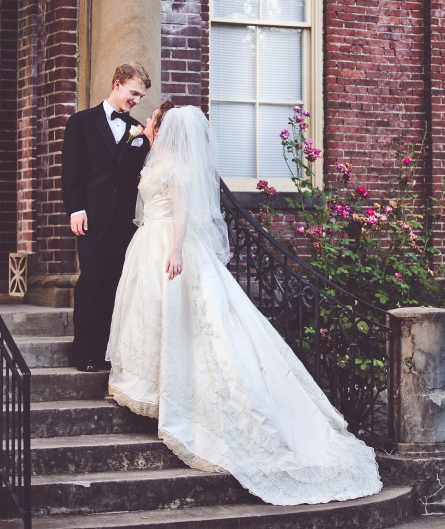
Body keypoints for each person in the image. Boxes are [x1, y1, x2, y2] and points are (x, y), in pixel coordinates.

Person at [107, 103, 383, 506]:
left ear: (166, 129)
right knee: (153, 317)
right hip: (147, 244)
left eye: (154, 120)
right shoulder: (156, 158)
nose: (148, 122)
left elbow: (182, 213)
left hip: (169, 244)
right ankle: (150, 384)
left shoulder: (178, 167)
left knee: (196, 324)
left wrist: (177, 249)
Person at [62, 62, 152, 372]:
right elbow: (72, 172)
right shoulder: (81, 123)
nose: (136, 101)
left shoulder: (137, 131)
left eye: (140, 96)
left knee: (118, 284)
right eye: (133, 93)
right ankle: (84, 353)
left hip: (126, 222)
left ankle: (108, 352)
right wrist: (75, 209)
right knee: (92, 281)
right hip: (92, 218)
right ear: (117, 83)